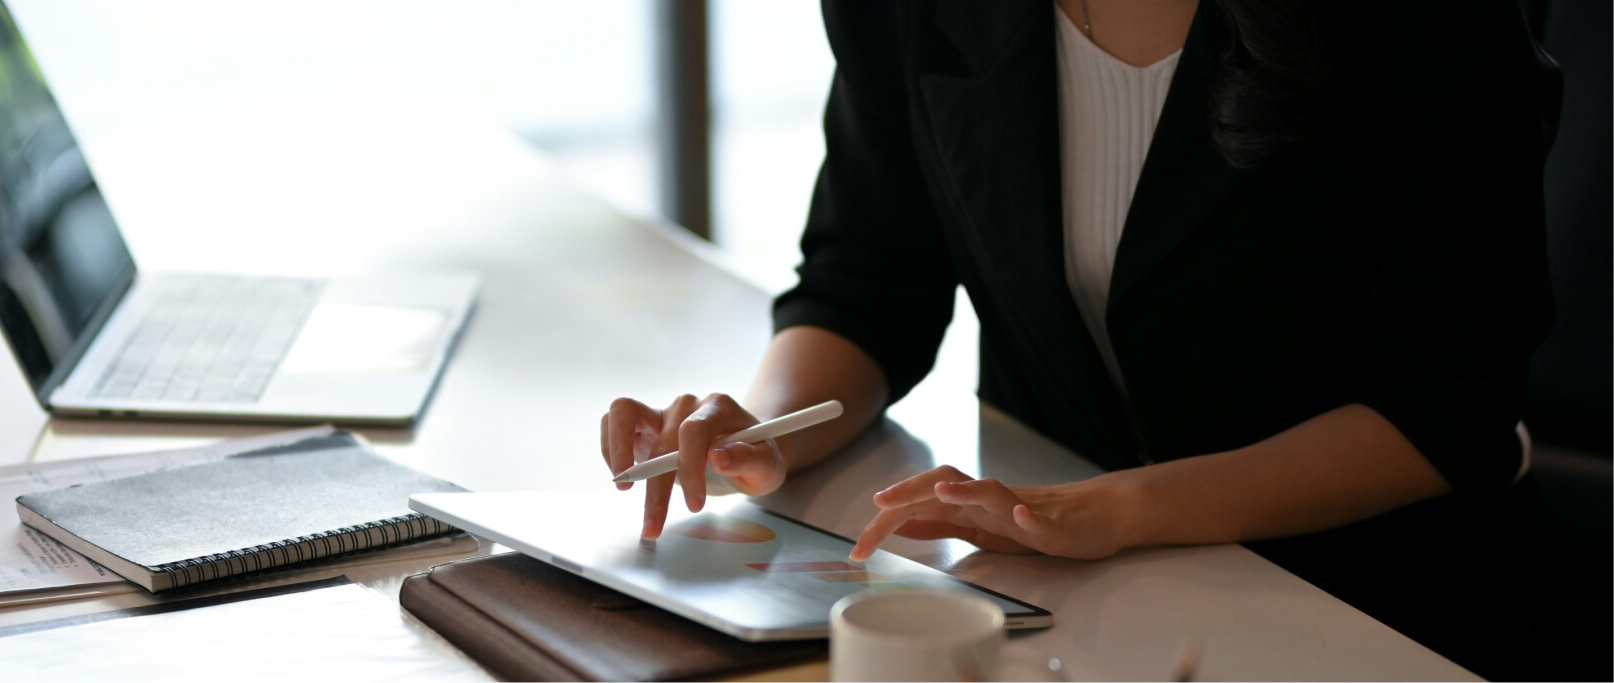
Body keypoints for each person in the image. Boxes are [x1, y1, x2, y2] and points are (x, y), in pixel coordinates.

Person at [600, 0, 1560, 678]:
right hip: (1060, 607)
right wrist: (761, 428)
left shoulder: (1431, 18)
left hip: (1363, 603)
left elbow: (1449, 408)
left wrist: (1113, 511)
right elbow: (867, 282)